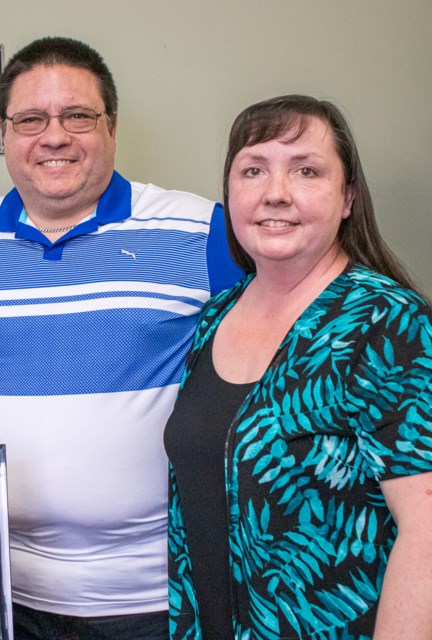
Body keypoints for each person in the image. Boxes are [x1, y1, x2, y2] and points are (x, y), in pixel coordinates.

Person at [0, 36, 242, 638]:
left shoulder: (202, 230)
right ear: (4, 133)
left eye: (78, 116)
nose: (54, 136)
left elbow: (273, 377)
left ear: (111, 127)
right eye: (30, 119)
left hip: (161, 592)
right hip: (3, 595)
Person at [164, 95, 432, 639]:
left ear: (348, 197)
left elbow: (426, 530)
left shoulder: (386, 322)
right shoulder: (217, 315)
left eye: (306, 170)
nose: (275, 194)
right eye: (253, 170)